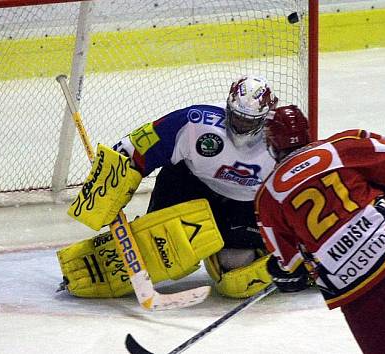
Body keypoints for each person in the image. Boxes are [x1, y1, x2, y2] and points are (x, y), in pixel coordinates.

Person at [255, 105, 385, 354]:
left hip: (355, 279)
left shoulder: (267, 197)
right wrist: (371, 196)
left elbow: (290, 265)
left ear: (272, 144)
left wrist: (282, 272)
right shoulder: (340, 145)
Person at [106, 75, 279, 298]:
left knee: (236, 278)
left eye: (250, 120)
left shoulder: (281, 139)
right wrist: (111, 177)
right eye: (237, 117)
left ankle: (271, 257)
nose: (241, 125)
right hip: (192, 186)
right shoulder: (197, 121)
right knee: (158, 246)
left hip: (245, 205)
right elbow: (136, 147)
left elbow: (298, 192)